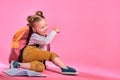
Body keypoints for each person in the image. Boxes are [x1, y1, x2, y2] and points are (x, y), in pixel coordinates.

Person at [10, 11, 77, 75]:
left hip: (32, 58)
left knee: (40, 67)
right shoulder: (35, 36)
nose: (45, 28)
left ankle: (17, 64)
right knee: (51, 55)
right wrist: (54, 31)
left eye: (46, 25)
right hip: (29, 52)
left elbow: (43, 49)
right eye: (42, 27)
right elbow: (46, 42)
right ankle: (65, 68)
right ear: (34, 29)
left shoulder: (43, 36)